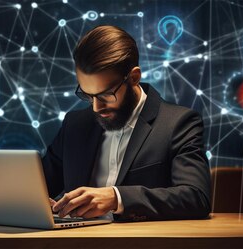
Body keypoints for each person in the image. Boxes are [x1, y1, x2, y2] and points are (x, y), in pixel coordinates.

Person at [42, 25, 211, 222]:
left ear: (134, 77)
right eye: (88, 95)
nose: (96, 107)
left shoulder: (178, 123)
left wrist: (117, 197)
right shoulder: (74, 125)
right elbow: (38, 186)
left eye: (106, 94)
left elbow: (196, 198)